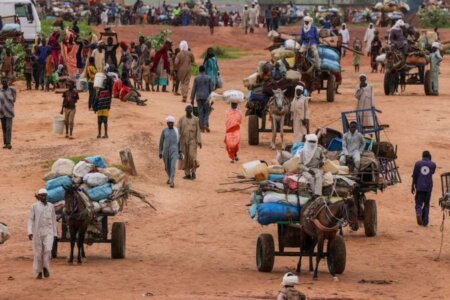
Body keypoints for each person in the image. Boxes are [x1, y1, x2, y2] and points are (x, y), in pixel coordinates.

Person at [27, 189, 57, 279]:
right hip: (37, 232)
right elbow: (30, 219)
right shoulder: (34, 206)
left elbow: (53, 220)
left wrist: (55, 233)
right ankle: (39, 271)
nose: (43, 197)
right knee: (38, 253)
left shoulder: (51, 206)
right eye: (42, 195)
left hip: (49, 232)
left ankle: (45, 267)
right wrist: (30, 231)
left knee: (48, 250)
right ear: (38, 196)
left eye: (45, 195)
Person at [412, 151, 436, 226]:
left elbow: (414, 176)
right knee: (426, 204)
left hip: (419, 186)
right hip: (428, 187)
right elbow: (432, 172)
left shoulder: (417, 164)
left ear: (422, 156)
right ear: (429, 157)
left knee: (418, 203)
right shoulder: (433, 164)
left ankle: (419, 212)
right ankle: (425, 222)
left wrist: (412, 186)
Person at [177, 105, 202, 180]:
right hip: (183, 141)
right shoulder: (181, 119)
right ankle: (187, 174)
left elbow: (198, 130)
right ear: (185, 110)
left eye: (190, 109)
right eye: (188, 109)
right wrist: (177, 140)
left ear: (192, 110)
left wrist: (199, 141)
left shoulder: (196, 119)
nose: (189, 110)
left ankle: (193, 171)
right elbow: (178, 129)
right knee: (185, 158)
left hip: (193, 141)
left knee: (192, 156)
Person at [159, 116, 181, 188]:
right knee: (166, 166)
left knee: (173, 166)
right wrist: (160, 151)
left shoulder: (177, 131)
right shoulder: (164, 131)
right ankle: (169, 177)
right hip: (165, 151)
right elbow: (161, 142)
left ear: (173, 123)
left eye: (172, 123)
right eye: (169, 123)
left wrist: (180, 151)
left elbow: (179, 142)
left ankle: (172, 181)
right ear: (167, 123)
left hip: (174, 151)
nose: (170, 124)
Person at [191, 65, 213, 132]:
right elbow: (211, 89)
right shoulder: (208, 78)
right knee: (207, 112)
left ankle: (202, 127)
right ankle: (205, 125)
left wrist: (192, 98)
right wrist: (212, 99)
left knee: (200, 112)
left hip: (199, 97)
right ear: (204, 70)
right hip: (207, 97)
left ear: (199, 70)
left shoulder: (196, 78)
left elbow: (194, 89)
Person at [0, 78, 16, 149]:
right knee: (4, 128)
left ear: (8, 82)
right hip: (1, 112)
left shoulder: (12, 90)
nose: (4, 82)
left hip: (9, 111)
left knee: (8, 128)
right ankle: (6, 143)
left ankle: (8, 143)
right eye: (3, 81)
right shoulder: (0, 91)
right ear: (1, 82)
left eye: (5, 81)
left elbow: (14, 99)